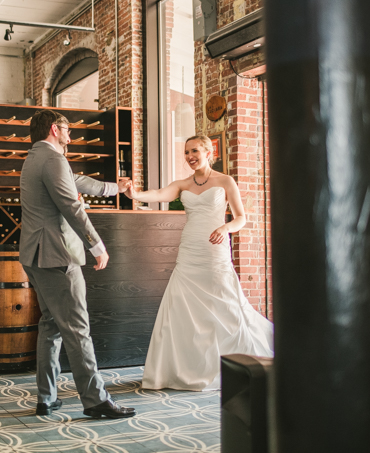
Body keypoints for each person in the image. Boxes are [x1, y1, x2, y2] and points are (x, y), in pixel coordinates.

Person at [126, 135, 273, 391]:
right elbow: (160, 194)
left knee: (224, 302)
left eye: (194, 151)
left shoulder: (225, 181)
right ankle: (186, 368)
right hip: (190, 251)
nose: (189, 156)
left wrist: (226, 227)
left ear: (208, 151)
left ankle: (235, 363)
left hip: (215, 249)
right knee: (183, 307)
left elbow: (241, 218)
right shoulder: (183, 184)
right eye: (186, 152)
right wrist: (134, 193)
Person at [19, 109, 136, 419]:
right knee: (77, 328)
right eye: (67, 130)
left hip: (35, 255)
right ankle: (96, 400)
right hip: (57, 255)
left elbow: (78, 182)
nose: (70, 136)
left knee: (51, 325)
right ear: (55, 130)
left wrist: (116, 188)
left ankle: (47, 397)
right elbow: (72, 205)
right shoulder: (53, 158)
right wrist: (96, 244)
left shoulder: (35, 157)